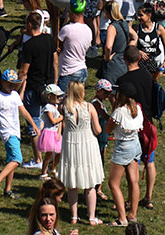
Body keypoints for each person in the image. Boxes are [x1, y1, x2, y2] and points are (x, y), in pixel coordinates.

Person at [0, 69, 39, 200]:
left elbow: (23, 111)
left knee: (11, 160)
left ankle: (8, 189)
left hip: (15, 131)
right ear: (2, 82)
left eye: (14, 83)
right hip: (8, 133)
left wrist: (33, 124)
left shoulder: (15, 95)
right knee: (17, 159)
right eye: (9, 83)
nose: (11, 86)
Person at [117, 46, 158, 209]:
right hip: (148, 123)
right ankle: (148, 197)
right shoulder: (147, 75)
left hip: (131, 127)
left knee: (132, 165)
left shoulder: (123, 80)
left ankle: (130, 200)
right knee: (150, 162)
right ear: (139, 59)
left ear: (124, 60)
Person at [58, 81, 104, 225]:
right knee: (90, 183)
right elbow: (98, 130)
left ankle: (74, 216)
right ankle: (91, 217)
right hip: (87, 144)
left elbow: (61, 108)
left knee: (72, 183)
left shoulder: (64, 107)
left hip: (71, 145)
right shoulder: (89, 107)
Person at [19, 10, 57, 169]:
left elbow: (24, 72)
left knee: (33, 123)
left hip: (33, 88)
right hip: (48, 86)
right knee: (44, 121)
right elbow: (55, 62)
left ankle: (38, 159)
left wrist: (18, 89)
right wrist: (54, 83)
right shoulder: (49, 40)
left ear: (29, 25)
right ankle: (49, 155)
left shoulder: (29, 46)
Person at [105, 85, 144, 226]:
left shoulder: (119, 112)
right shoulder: (138, 109)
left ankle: (122, 218)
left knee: (113, 183)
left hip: (123, 147)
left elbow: (108, 129)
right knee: (133, 181)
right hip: (135, 144)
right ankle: (132, 215)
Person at [58, 8, 91, 87]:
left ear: (73, 14)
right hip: (82, 68)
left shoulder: (67, 29)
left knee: (62, 95)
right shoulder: (88, 30)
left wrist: (65, 22)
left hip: (68, 70)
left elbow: (57, 44)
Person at [37, 83, 64, 180]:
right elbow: (52, 120)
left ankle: (53, 168)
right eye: (57, 96)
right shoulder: (48, 107)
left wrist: (59, 132)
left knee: (59, 152)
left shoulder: (56, 106)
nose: (59, 98)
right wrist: (61, 118)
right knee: (49, 154)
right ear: (49, 96)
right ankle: (43, 173)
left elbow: (59, 123)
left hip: (56, 133)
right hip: (49, 133)